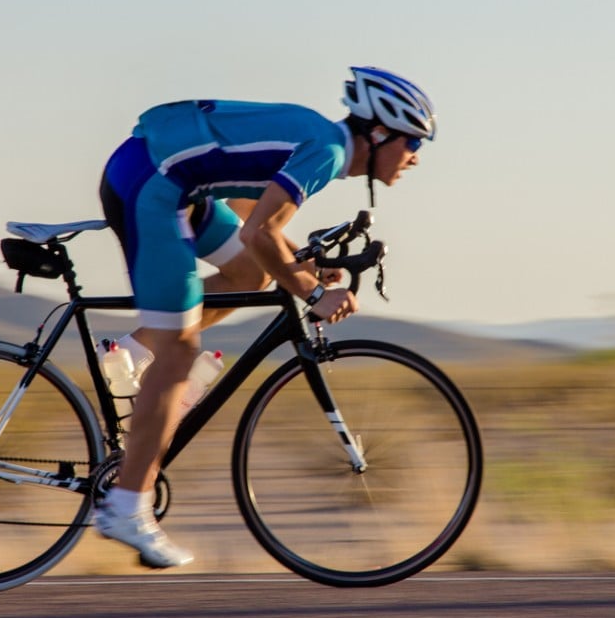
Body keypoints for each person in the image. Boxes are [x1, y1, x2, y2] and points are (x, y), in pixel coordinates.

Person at [93, 66, 437, 568]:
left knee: (249, 275)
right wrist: (312, 290)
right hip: (154, 184)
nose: (415, 159)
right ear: (380, 134)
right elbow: (259, 230)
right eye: (413, 144)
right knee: (181, 353)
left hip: (172, 179)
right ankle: (127, 508)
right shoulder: (330, 151)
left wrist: (301, 264)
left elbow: (249, 215)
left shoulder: (321, 139)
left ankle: (132, 353)